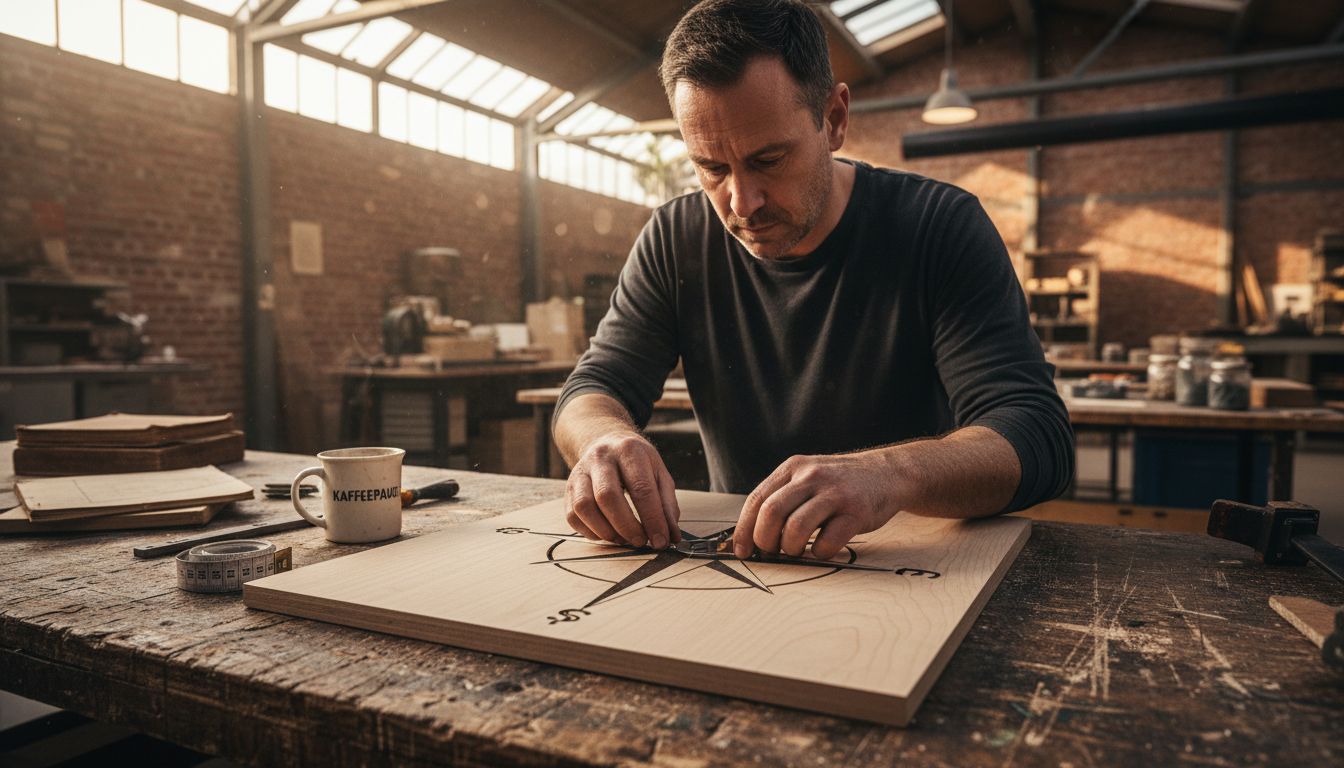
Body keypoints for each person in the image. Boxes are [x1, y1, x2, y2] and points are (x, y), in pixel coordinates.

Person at [552, 0, 1074, 562]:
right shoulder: (674, 236)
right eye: (712, 167)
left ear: (834, 119)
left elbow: (1035, 432)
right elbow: (592, 388)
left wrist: (888, 475)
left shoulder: (938, 226)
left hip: (904, 565)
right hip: (738, 562)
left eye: (769, 160)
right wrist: (602, 440)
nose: (741, 203)